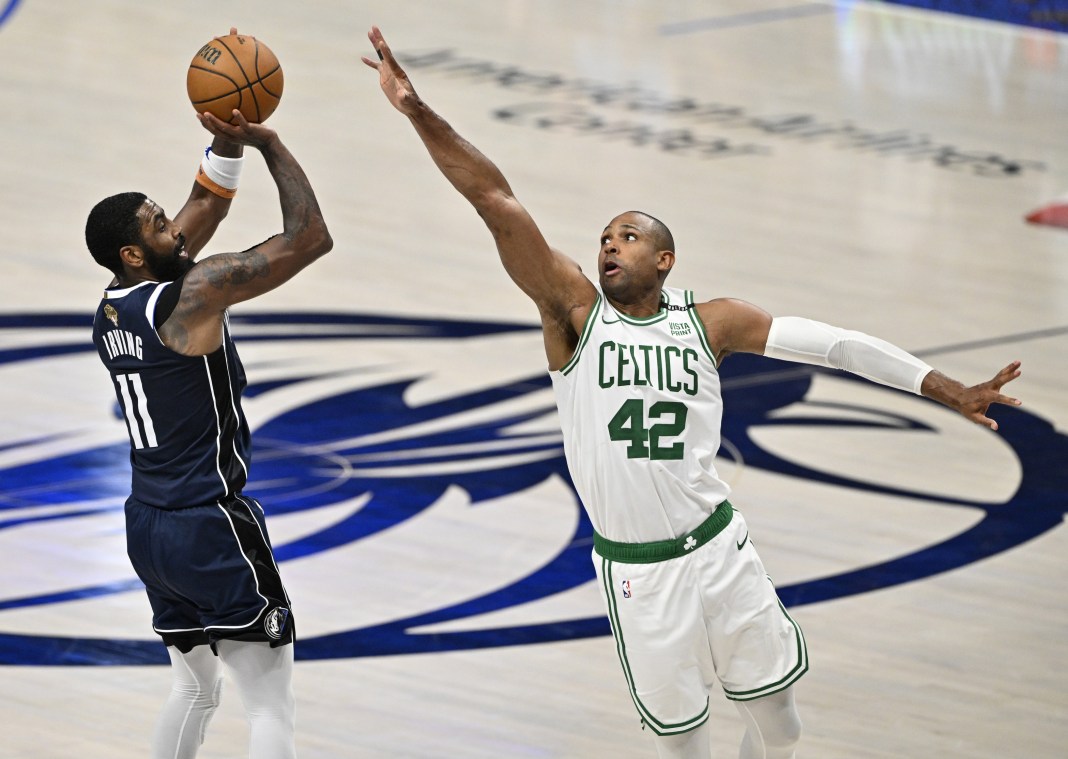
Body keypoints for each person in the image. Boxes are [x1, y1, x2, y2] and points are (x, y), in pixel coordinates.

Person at [361, 26, 1022, 759]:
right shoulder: (573, 314)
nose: (609, 243)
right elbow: (495, 199)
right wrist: (416, 109)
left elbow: (836, 345)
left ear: (664, 258)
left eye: (628, 236)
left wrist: (944, 388)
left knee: (781, 725)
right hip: (638, 569)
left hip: (718, 547)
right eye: (604, 236)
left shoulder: (713, 323)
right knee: (683, 744)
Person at [85, 44, 332, 759]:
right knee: (270, 706)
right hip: (208, 524)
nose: (176, 226)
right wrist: (270, 141)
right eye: (159, 225)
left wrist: (226, 133)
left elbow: (206, 202)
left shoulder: (113, 303)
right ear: (136, 252)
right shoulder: (193, 292)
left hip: (149, 527)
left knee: (195, 689)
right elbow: (308, 238)